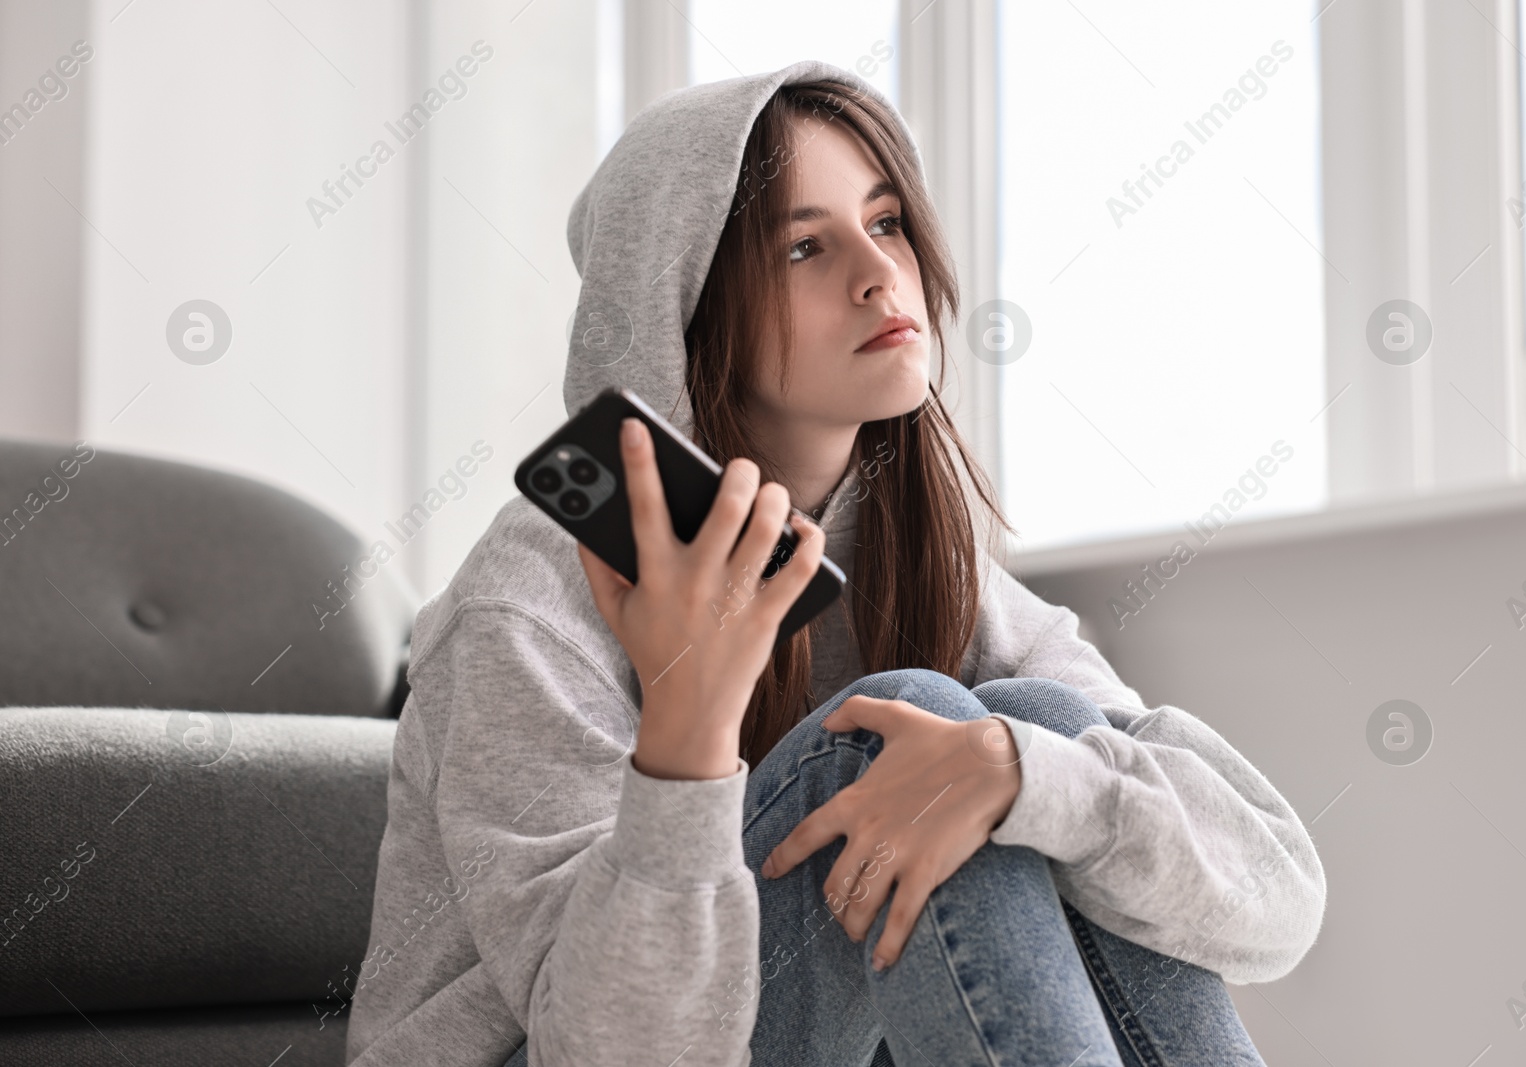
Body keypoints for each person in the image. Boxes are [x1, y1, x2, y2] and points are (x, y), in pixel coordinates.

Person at [344, 60, 1327, 1067]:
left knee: (1036, 735)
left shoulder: (937, 568)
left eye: (887, 220)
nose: (877, 272)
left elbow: (1275, 903)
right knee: (896, 743)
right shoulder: (533, 603)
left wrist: (1023, 776)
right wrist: (688, 729)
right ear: (683, 304)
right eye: (806, 245)